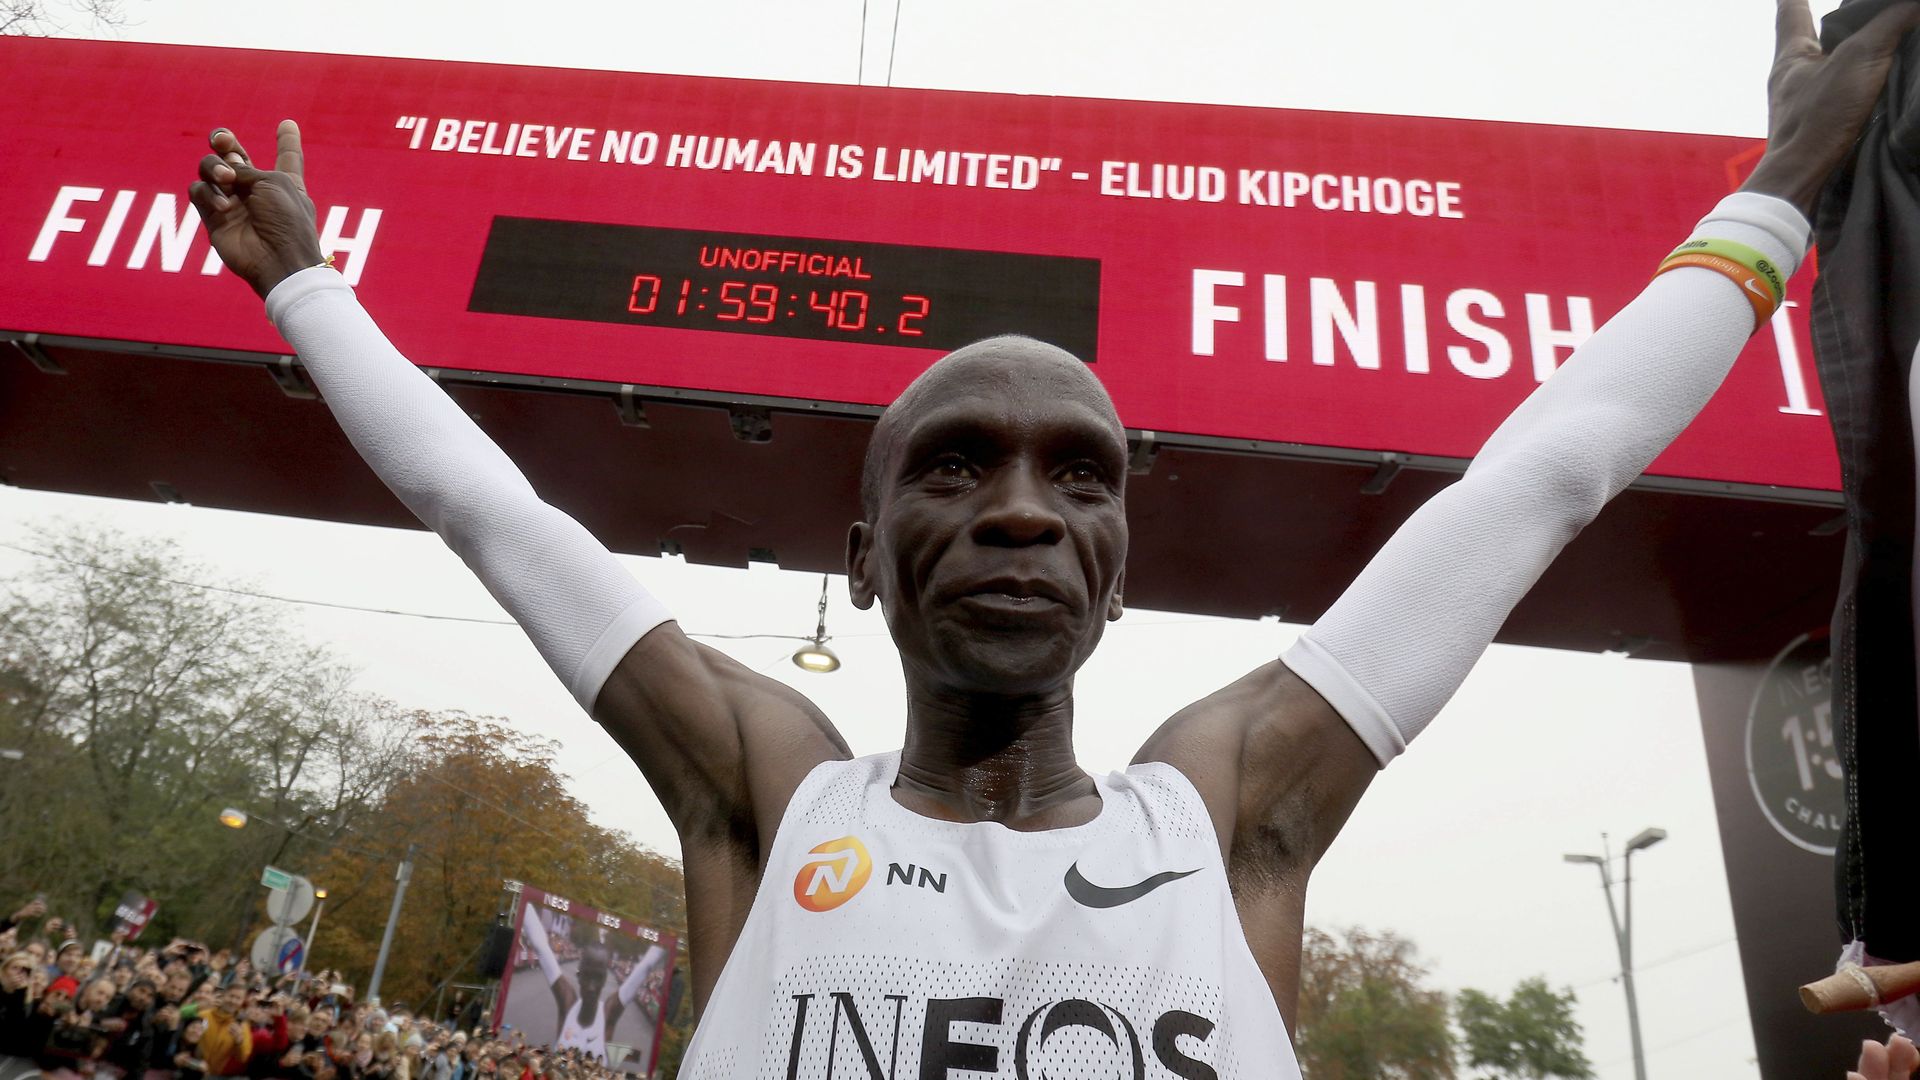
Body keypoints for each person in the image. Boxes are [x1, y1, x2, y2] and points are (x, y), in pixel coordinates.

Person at [188, 2, 1920, 1073]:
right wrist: (313, 288)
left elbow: (1541, 476)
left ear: (1119, 565)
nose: (1022, 505)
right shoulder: (774, 795)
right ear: (860, 557)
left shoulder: (1236, 807)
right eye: (953, 468)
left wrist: (1784, 191)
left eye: (1079, 477)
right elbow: (489, 509)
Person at [512, 917, 665, 1065]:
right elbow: (540, 945)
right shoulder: (567, 1003)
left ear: (605, 979)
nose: (591, 987)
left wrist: (669, 930)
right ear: (579, 975)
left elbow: (647, 965)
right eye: (587, 976)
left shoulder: (608, 1013)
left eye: (598, 978)